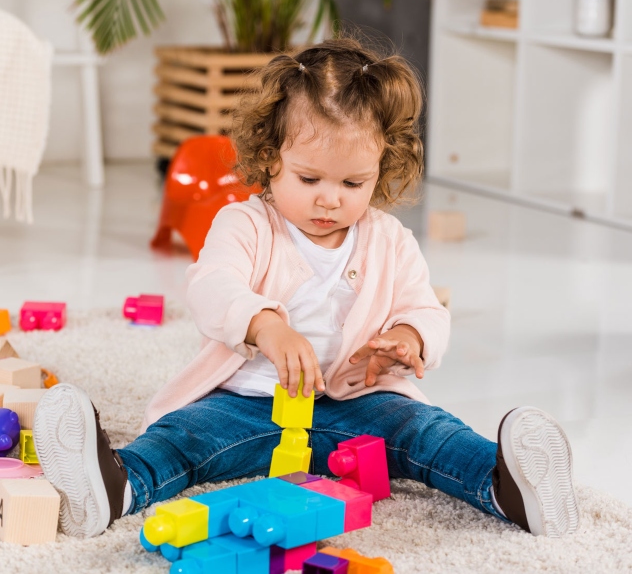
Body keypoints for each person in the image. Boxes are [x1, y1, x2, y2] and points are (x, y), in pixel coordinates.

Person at [32, 38, 579, 541]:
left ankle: (508, 488)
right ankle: (114, 486)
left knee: (430, 431)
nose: (330, 200)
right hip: (250, 402)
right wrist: (265, 325)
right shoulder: (244, 225)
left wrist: (410, 337)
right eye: (310, 179)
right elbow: (211, 287)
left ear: (380, 169)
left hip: (362, 404)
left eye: (352, 184)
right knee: (186, 437)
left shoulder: (388, 239)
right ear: (270, 159)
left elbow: (425, 307)